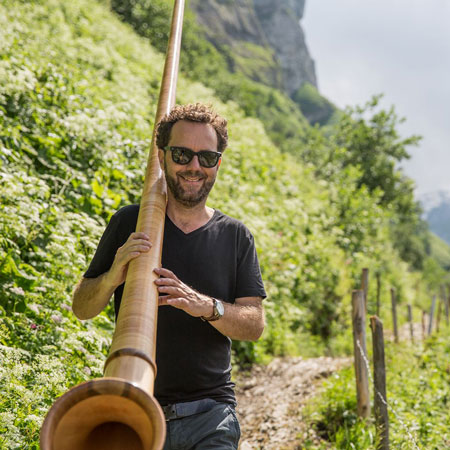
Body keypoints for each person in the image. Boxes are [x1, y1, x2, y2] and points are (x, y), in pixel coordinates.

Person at [72, 103, 266, 449]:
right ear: (162, 157)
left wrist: (205, 306)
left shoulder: (236, 236)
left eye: (206, 157)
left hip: (211, 414)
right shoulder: (128, 222)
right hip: (132, 410)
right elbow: (82, 308)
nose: (194, 167)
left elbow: (254, 325)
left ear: (217, 163)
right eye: (182, 154)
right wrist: (112, 276)